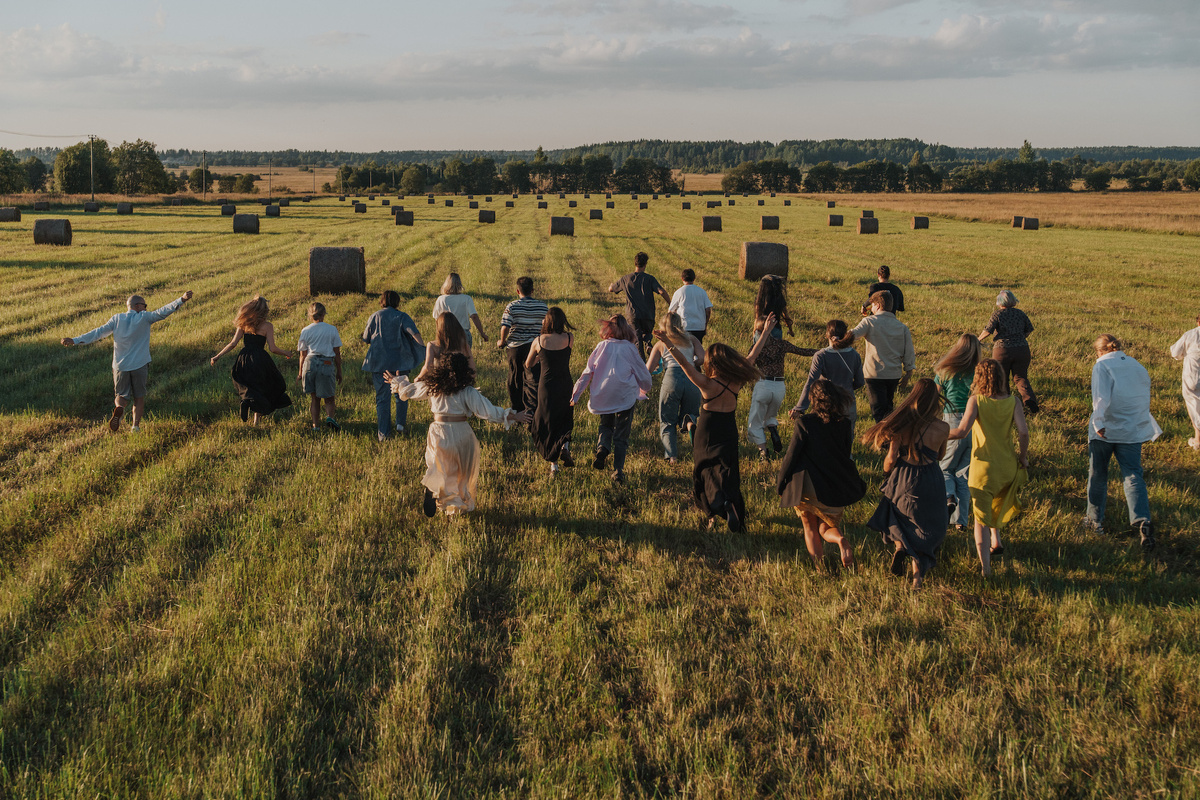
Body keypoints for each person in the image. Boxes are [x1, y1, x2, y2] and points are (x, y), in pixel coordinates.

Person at [389, 353, 530, 517]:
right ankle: (454, 507)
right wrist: (513, 415)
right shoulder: (467, 391)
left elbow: (412, 391)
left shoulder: (433, 386)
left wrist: (397, 382)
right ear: (464, 370)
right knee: (461, 472)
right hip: (461, 433)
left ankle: (433, 487)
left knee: (438, 465)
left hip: (439, 430)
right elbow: (488, 411)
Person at [655, 332, 761, 532]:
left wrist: (668, 343)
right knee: (728, 470)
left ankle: (715, 509)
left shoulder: (707, 384)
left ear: (711, 363)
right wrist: (764, 333)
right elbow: (752, 356)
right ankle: (732, 504)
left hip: (706, 432)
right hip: (728, 429)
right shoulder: (736, 382)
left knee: (704, 470)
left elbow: (685, 365)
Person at [61, 290, 193, 433]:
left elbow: (98, 332)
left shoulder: (116, 319)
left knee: (121, 396)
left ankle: (120, 408)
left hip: (120, 365)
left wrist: (74, 340)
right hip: (140, 364)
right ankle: (135, 426)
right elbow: (163, 312)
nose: (146, 308)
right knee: (139, 397)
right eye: (144, 305)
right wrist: (182, 299)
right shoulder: (144, 317)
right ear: (137, 306)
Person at [863, 379, 951, 588]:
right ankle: (917, 579)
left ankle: (900, 546)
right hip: (931, 477)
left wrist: (886, 475)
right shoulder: (943, 427)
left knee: (897, 516)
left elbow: (891, 458)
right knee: (927, 524)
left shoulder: (901, 425)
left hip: (904, 477)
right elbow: (940, 455)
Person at [947, 359, 1029, 575]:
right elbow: (1023, 432)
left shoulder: (976, 401)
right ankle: (996, 540)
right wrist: (1023, 457)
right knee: (996, 503)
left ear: (978, 378)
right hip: (1006, 466)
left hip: (982, 468)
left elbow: (962, 431)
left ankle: (986, 569)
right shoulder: (1014, 402)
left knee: (980, 519)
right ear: (1002, 377)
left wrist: (935, 433)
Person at [1080, 335, 1161, 550]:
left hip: (1106, 429)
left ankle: (1094, 521)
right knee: (1133, 475)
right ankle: (1143, 520)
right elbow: (1142, 397)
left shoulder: (1102, 366)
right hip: (1132, 429)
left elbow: (1100, 398)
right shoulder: (1138, 366)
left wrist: (1098, 423)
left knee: (1098, 475)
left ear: (1099, 351)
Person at [778, 379, 866, 570]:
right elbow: (844, 454)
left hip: (808, 484)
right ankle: (840, 539)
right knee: (826, 527)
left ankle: (820, 568)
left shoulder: (805, 423)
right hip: (833, 483)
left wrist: (781, 482)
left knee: (809, 527)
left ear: (813, 400)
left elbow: (791, 456)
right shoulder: (844, 424)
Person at [571, 314, 653, 484]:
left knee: (606, 424)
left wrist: (576, 394)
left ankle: (602, 448)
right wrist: (644, 389)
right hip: (624, 395)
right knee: (622, 434)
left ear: (607, 329)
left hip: (604, 393)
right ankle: (618, 471)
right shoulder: (630, 348)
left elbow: (587, 373)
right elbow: (643, 374)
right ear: (627, 330)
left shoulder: (601, 346)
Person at [209, 295, 293, 425]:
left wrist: (217, 356)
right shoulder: (267, 326)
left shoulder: (243, 324)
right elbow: (273, 348)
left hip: (244, 359)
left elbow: (232, 343)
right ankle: (255, 420)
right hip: (260, 359)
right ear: (264, 311)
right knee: (266, 386)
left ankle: (247, 403)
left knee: (250, 387)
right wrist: (286, 352)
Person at [745, 313, 817, 461]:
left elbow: (747, 366)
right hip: (779, 387)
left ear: (757, 331)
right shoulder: (782, 344)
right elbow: (804, 351)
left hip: (763, 385)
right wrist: (825, 350)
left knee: (755, 423)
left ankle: (763, 452)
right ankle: (772, 428)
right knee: (770, 415)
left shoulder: (755, 348)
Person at [836, 290, 914, 422]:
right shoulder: (902, 327)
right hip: (894, 374)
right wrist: (908, 372)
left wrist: (838, 340)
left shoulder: (870, 322)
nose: (871, 309)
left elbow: (853, 335)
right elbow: (909, 351)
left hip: (874, 374)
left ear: (877, 305)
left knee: (878, 411)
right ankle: (891, 435)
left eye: (872, 305)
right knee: (888, 407)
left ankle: (883, 438)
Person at [934, 333, 983, 531]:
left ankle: (948, 497)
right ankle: (961, 521)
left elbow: (934, 396)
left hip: (952, 420)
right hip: (975, 422)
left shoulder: (945, 370)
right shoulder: (979, 371)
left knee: (944, 467)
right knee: (964, 473)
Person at [362, 290, 425, 440]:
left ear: (381, 301)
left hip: (379, 364)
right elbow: (414, 334)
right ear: (397, 302)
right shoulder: (402, 316)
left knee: (382, 398)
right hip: (400, 362)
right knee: (401, 393)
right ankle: (400, 425)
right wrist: (422, 349)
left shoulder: (375, 316)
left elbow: (366, 338)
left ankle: (383, 433)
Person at [645, 311, 704, 464]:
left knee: (667, 420)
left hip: (672, 379)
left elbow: (648, 370)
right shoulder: (691, 339)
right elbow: (702, 358)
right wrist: (693, 362)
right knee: (691, 413)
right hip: (692, 380)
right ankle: (689, 423)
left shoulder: (661, 344)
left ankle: (672, 457)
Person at [795, 320, 864, 448]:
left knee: (826, 442)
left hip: (826, 403)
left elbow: (811, 382)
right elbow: (860, 381)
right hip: (848, 402)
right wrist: (847, 388)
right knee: (845, 443)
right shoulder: (854, 355)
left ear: (827, 335)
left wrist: (800, 407)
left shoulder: (821, 355)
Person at [526, 307, 576, 474]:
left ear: (546, 322)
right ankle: (565, 446)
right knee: (564, 416)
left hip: (546, 385)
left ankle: (553, 465)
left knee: (547, 421)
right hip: (565, 383)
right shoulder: (569, 338)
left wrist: (541, 358)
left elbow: (528, 364)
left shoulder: (539, 341)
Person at [979, 290, 1039, 414]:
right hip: (1022, 349)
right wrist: (1019, 338)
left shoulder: (997, 314)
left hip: (1002, 350)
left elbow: (988, 330)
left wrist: (977, 339)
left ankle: (1005, 404)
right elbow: (1029, 330)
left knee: (1002, 378)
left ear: (999, 302)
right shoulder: (1020, 314)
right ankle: (1029, 400)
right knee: (1021, 377)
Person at [496, 276, 549, 414]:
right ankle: (533, 410)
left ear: (517, 291)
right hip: (536, 347)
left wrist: (502, 341)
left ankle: (517, 411)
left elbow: (505, 326)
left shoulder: (512, 306)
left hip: (516, 348)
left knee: (515, 379)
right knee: (533, 380)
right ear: (532, 290)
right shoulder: (543, 307)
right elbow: (547, 327)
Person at [609, 251, 670, 359]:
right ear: (645, 264)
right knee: (647, 333)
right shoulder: (650, 278)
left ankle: (642, 364)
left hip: (633, 315)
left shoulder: (625, 279)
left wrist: (610, 286)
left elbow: (612, 289)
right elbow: (662, 292)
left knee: (637, 341)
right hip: (648, 315)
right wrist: (670, 304)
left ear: (635, 263)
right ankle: (648, 343)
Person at [297, 302, 343, 432]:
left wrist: (300, 373)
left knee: (314, 398)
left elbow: (302, 354)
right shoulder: (332, 329)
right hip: (326, 363)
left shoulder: (305, 330)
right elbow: (337, 353)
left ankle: (315, 426)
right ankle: (330, 418)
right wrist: (339, 371)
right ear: (323, 314)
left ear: (310, 315)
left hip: (310, 363)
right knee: (329, 398)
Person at [1169, 314, 1200, 450]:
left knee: (1194, 406)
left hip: (1192, 376)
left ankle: (1198, 439)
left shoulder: (1190, 335)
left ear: (1198, 322)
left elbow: (1175, 353)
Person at [433, 272, 488, 347]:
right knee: (465, 357)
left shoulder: (441, 299)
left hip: (446, 333)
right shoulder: (466, 298)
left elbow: (437, 319)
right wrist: (482, 333)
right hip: (463, 333)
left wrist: (439, 335)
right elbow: (474, 316)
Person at [416, 312, 473, 382]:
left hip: (441, 383)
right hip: (460, 383)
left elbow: (428, 368)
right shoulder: (463, 344)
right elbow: (472, 367)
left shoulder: (432, 345)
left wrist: (418, 378)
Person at [667, 268, 713, 343]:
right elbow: (708, 310)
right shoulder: (702, 292)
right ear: (694, 278)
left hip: (684, 326)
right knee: (697, 350)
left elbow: (670, 311)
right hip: (699, 327)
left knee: (685, 351)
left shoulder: (679, 292)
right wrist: (705, 324)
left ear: (682, 278)